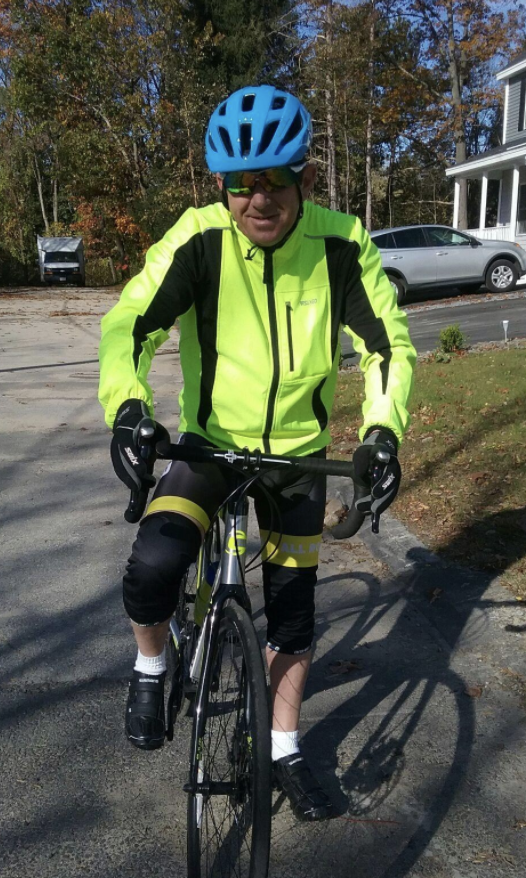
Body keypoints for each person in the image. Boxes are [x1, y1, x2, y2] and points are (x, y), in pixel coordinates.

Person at [98, 85, 416, 822]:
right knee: (151, 566)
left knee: (295, 620)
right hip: (210, 446)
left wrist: (382, 432)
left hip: (299, 461)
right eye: (242, 184)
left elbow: (387, 347)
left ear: (305, 176)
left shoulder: (342, 244)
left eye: (276, 180)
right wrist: (129, 409)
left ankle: (283, 749)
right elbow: (128, 326)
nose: (259, 199)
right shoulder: (199, 237)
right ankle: (151, 663)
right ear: (222, 186)